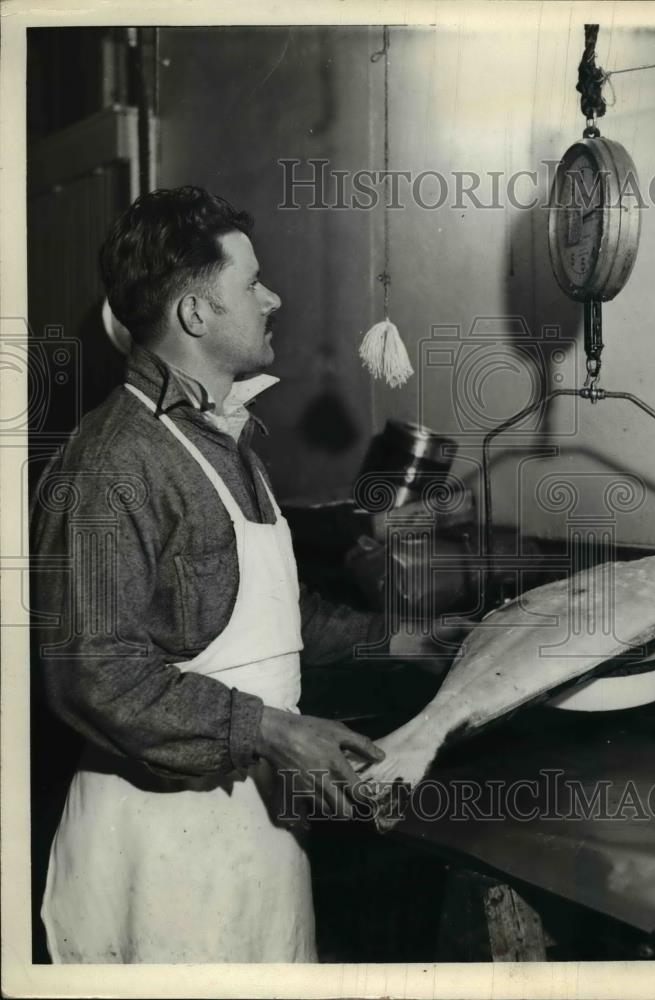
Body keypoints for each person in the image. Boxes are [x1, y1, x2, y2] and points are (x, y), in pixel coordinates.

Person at [31, 186, 431, 964]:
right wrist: (273, 731)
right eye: (252, 283)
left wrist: (405, 639)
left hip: (254, 824)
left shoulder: (224, 440)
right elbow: (93, 671)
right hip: (160, 848)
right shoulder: (114, 460)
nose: (273, 297)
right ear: (195, 314)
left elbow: (273, 617)